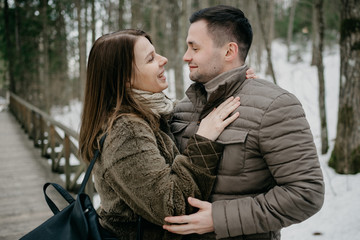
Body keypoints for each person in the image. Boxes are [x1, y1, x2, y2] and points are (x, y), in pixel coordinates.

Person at [164, 5, 325, 240]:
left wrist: (219, 219)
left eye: (195, 48)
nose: (186, 56)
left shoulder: (275, 105)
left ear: (229, 51)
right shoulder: (183, 108)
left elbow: (306, 193)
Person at [78, 29, 243, 240]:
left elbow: (185, 111)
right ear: (126, 79)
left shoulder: (152, 110)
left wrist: (230, 83)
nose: (163, 60)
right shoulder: (126, 130)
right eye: (150, 59)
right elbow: (171, 207)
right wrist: (203, 141)